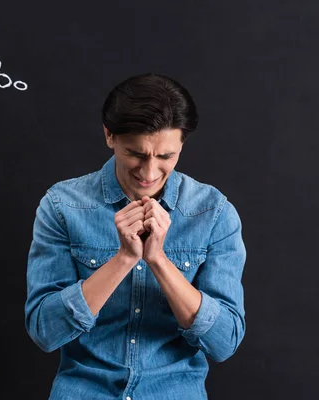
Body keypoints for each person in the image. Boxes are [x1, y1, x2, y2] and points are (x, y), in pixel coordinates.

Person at [24, 73, 246, 400]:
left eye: (166, 156)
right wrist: (124, 258)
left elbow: (224, 341)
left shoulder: (213, 213)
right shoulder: (62, 206)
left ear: (182, 144)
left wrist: (157, 259)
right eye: (136, 154)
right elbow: (45, 330)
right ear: (109, 136)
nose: (149, 172)